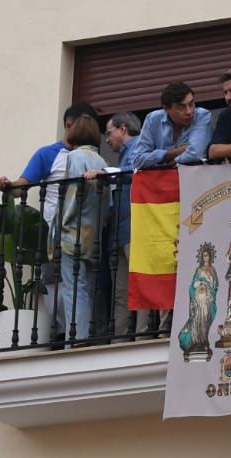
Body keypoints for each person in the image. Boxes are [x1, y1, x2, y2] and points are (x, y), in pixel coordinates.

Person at [55, 113, 108, 344]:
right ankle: (81, 338)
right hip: (94, 232)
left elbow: (72, 196)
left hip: (74, 232)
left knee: (73, 288)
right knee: (84, 287)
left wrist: (62, 223)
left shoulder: (75, 156)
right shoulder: (102, 161)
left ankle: (74, 340)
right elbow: (109, 203)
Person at [87, 111, 140, 337]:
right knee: (121, 292)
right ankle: (120, 339)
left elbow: (139, 173)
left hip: (134, 229)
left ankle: (141, 336)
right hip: (120, 231)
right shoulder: (124, 156)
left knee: (138, 286)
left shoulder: (139, 147)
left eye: (109, 133)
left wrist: (105, 172)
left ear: (122, 129)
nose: (107, 140)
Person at [132, 82, 213, 168]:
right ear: (166, 109)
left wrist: (168, 163)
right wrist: (175, 152)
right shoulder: (153, 119)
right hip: (161, 180)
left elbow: (195, 154)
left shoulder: (202, 116)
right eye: (181, 107)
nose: (189, 112)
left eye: (191, 104)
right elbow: (138, 160)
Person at [177, 243, 218, 360]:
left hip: (208, 301)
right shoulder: (199, 270)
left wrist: (210, 287)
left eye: (207, 255)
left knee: (205, 321)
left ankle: (204, 341)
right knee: (197, 320)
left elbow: (216, 286)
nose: (206, 257)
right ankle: (195, 342)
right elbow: (193, 285)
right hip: (199, 301)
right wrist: (201, 283)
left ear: (210, 257)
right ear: (202, 257)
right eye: (204, 255)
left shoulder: (213, 270)